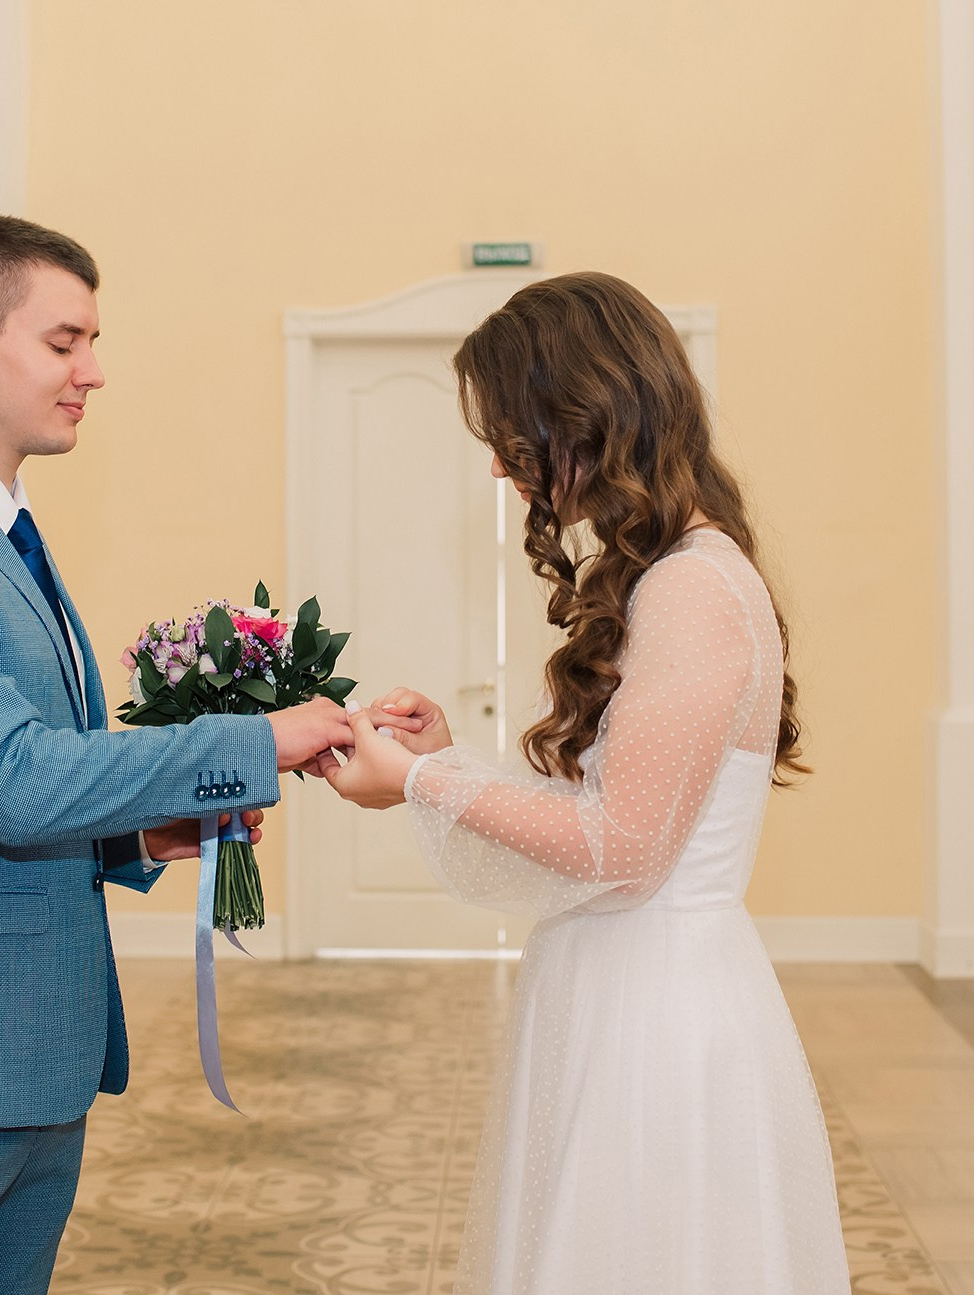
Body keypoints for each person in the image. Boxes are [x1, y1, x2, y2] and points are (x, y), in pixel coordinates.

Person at [0, 214, 351, 1295]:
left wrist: (137, 833)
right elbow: (10, 775)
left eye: (91, 340)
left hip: (23, 1061)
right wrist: (256, 740)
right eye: (63, 340)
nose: (93, 370)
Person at [323, 272, 848, 1292]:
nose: (497, 466)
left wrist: (425, 779)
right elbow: (617, 814)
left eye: (514, 436)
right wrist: (447, 757)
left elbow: (623, 846)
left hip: (657, 1018)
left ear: (588, 413)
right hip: (621, 984)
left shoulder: (691, 585)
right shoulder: (678, 570)